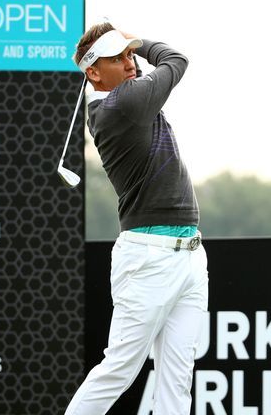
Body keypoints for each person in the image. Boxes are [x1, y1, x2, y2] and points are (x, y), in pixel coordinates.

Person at [63, 23, 209, 415]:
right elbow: (176, 59)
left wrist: (123, 45)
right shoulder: (122, 103)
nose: (131, 63)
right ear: (93, 72)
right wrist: (140, 41)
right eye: (118, 58)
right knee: (119, 370)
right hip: (149, 257)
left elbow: (158, 65)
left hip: (190, 254)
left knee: (177, 379)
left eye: (131, 55)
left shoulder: (128, 97)